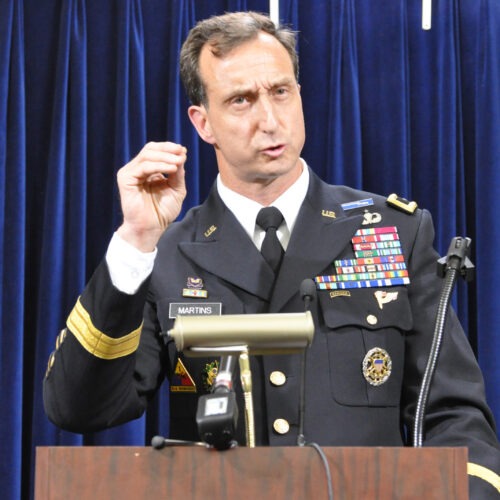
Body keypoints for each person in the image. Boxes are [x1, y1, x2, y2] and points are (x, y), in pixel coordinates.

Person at [43, 11, 500, 497]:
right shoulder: (169, 254)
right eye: (241, 100)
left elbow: (453, 415)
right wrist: (135, 241)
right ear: (203, 123)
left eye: (280, 91)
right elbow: (80, 408)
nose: (269, 119)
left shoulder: (393, 232)